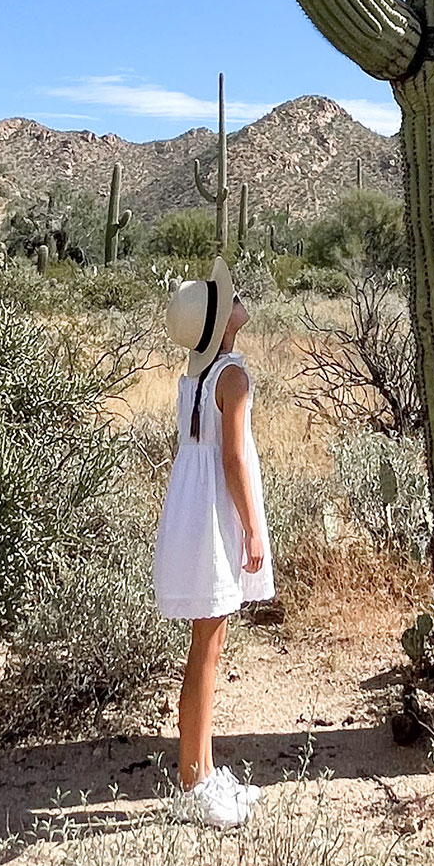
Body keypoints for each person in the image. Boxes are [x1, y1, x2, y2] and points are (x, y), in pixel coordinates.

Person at [153, 256, 274, 829]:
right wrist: (252, 525)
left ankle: (202, 768)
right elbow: (232, 459)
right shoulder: (233, 377)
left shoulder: (197, 377)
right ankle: (194, 781)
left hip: (191, 508)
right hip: (215, 515)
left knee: (207, 642)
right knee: (208, 647)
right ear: (225, 320)